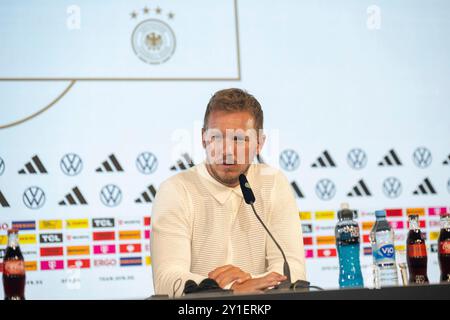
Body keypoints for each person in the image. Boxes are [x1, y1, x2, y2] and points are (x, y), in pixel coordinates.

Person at [151, 88, 306, 296]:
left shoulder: (274, 183)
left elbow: (293, 273)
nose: (228, 151)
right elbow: (167, 280)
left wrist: (246, 283)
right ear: (203, 138)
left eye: (240, 139)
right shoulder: (175, 190)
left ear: (260, 143)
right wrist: (230, 289)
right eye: (217, 137)